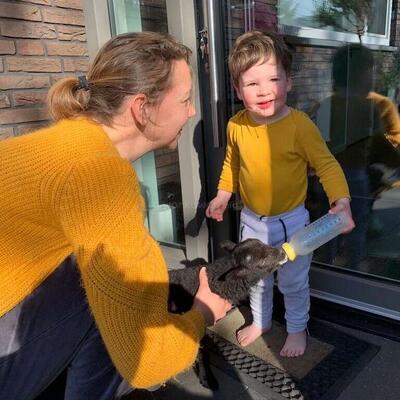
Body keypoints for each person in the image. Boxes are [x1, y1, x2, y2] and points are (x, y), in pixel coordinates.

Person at [0, 31, 232, 400]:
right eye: (186, 99)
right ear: (142, 108)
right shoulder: (98, 175)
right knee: (110, 301)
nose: (191, 112)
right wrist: (202, 313)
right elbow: (146, 361)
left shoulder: (51, 144)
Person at [205, 31, 355, 357]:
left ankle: (297, 328)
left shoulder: (300, 125)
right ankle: (261, 322)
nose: (264, 90)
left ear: (289, 81)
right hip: (252, 221)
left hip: (292, 223)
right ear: (237, 90)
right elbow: (232, 164)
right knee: (257, 279)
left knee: (292, 282)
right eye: (252, 83)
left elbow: (326, 164)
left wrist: (341, 200)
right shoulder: (236, 126)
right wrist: (222, 195)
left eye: (273, 79)